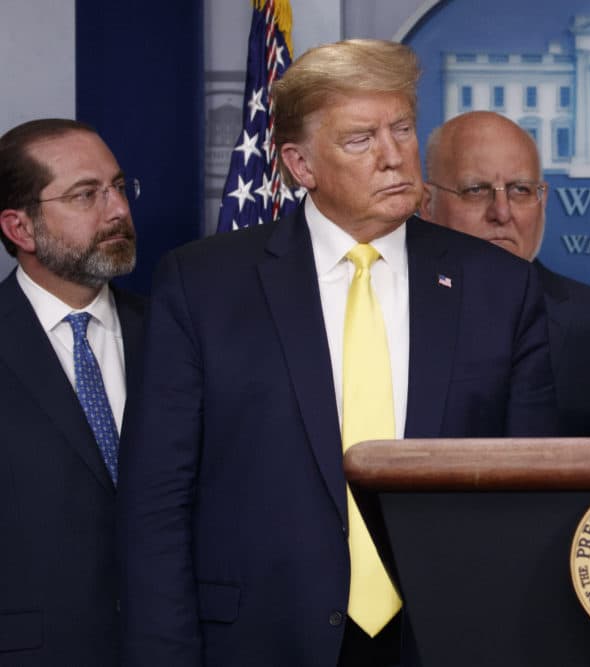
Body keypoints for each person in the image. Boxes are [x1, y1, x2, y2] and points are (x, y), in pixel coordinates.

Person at [118, 40, 557, 667]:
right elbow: (157, 506)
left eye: (401, 129)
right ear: (301, 164)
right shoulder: (204, 286)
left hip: (448, 639)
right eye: (360, 140)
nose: (393, 156)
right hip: (260, 641)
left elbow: (530, 497)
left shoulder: (500, 286)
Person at [0, 118, 143, 666]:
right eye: (87, 195)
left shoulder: (178, 333)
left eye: (119, 187)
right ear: (21, 228)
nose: (118, 211)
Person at [421, 110, 590, 436]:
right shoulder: (391, 315)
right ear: (426, 204)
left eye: (520, 190)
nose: (501, 213)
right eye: (476, 190)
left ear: (542, 201)